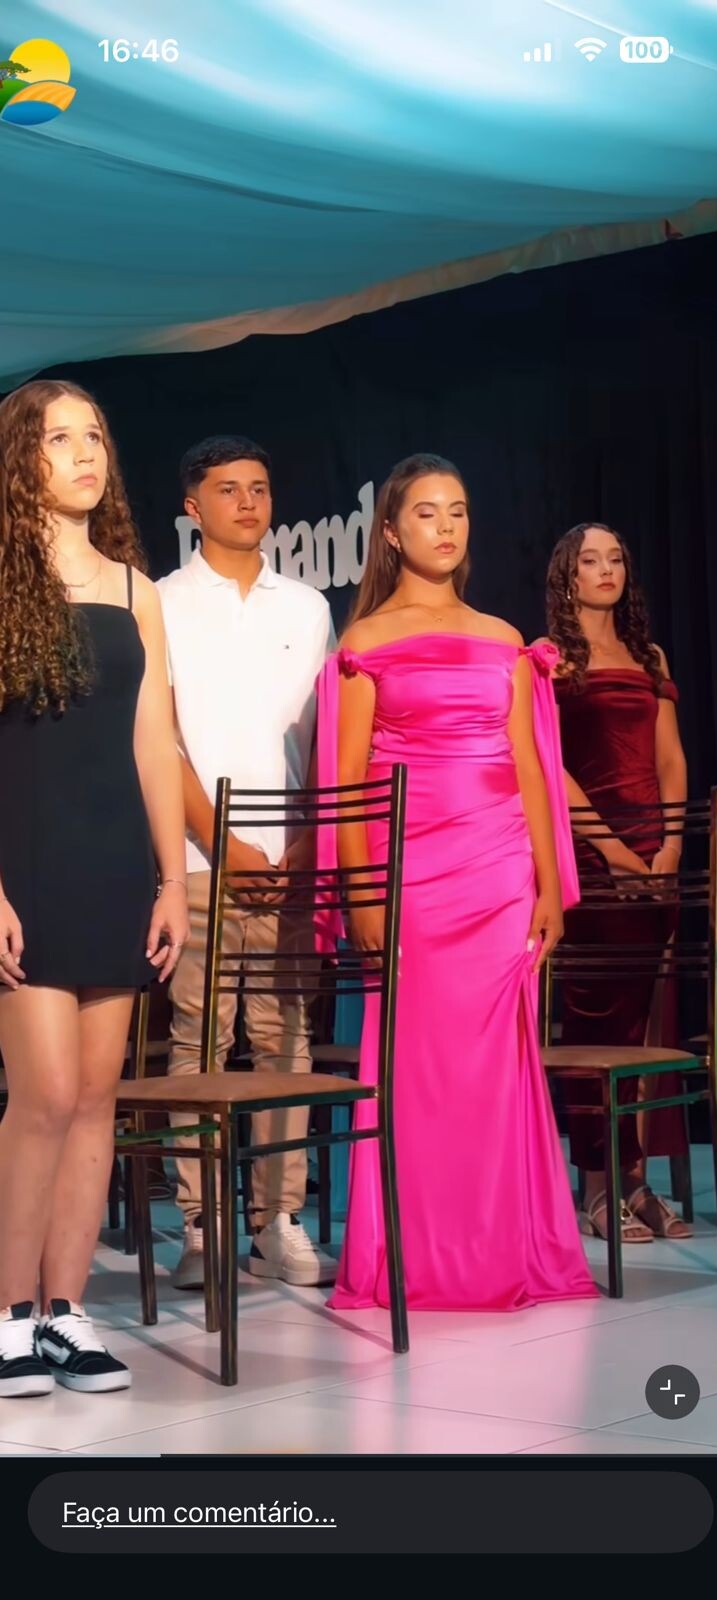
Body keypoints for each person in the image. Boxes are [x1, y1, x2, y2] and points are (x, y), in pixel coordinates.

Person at [315, 453, 597, 1310]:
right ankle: (418, 1255)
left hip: (500, 874)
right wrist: (362, 896)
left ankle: (500, 1249)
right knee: (417, 1067)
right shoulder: (363, 644)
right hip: (409, 878)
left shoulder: (506, 639)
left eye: (459, 511)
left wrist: (549, 886)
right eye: (427, 513)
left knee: (496, 1067)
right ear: (391, 533)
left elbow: (532, 768)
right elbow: (346, 785)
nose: (446, 527)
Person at [0, 380, 188, 1398]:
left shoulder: (133, 588)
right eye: (58, 437)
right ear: (19, 459)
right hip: (24, 862)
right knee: (42, 1096)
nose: (85, 453)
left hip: (117, 861)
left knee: (95, 1098)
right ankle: (5, 1316)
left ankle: (64, 1313)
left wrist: (174, 880)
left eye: (95, 436)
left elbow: (155, 743)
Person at [157, 436, 337, 1290]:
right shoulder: (160, 602)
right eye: (228, 490)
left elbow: (329, 736)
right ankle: (201, 1226)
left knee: (285, 1039)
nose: (248, 503)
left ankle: (278, 1221)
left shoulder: (306, 606)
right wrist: (222, 844)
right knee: (197, 1036)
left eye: (259, 488)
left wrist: (304, 842)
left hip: (292, 857)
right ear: (192, 507)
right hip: (198, 857)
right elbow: (160, 739)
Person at [546, 522, 691, 1243]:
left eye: (616, 559)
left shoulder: (648, 655)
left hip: (654, 857)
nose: (606, 570)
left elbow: (670, 759)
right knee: (593, 1024)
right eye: (590, 560)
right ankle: (598, 1186)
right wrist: (611, 848)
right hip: (591, 860)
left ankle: (636, 1180)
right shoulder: (548, 660)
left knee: (640, 1028)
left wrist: (669, 847)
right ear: (567, 576)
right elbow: (550, 768)